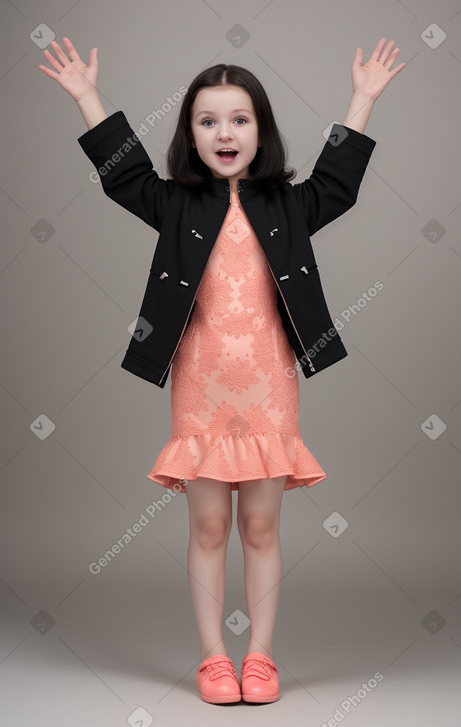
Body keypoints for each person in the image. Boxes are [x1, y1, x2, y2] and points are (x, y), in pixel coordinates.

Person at [39, 36, 405, 705]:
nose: (224, 132)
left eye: (239, 119)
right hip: (200, 392)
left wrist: (363, 97)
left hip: (269, 392)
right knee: (208, 529)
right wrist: (87, 96)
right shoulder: (174, 203)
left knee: (260, 529)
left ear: (260, 131)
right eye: (207, 121)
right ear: (189, 134)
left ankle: (260, 657)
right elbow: (124, 177)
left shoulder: (289, 205)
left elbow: (337, 182)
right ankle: (213, 658)